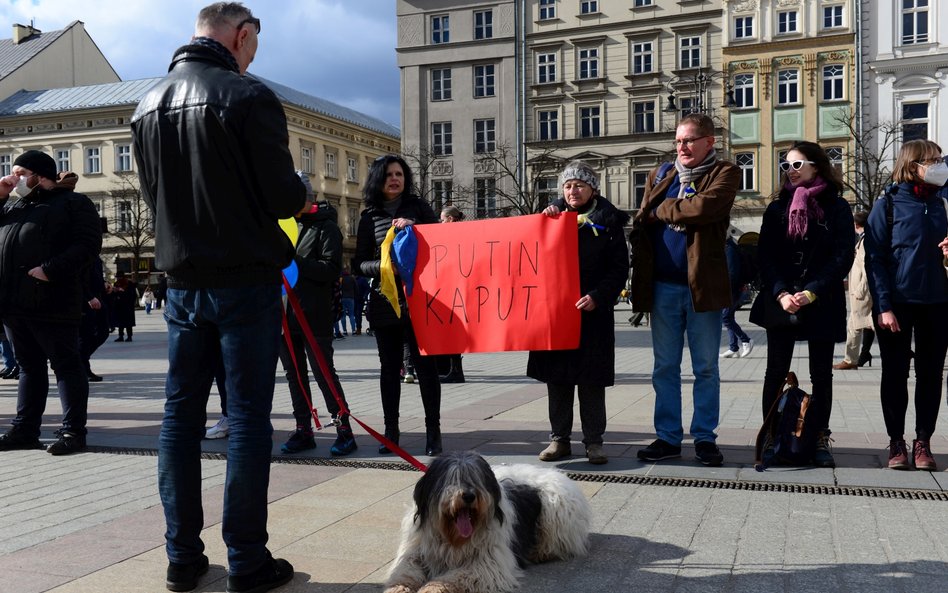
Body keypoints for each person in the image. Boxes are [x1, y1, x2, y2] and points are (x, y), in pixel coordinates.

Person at [130, 3, 306, 592]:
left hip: (181, 282)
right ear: (242, 34)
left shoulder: (147, 103)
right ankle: (247, 560)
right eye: (253, 45)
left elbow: (156, 199)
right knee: (248, 420)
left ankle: (182, 556)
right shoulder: (247, 95)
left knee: (179, 419)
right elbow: (284, 196)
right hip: (245, 280)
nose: (253, 54)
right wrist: (303, 190)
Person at [630, 113, 739, 467]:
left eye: (690, 140)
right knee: (665, 367)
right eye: (678, 141)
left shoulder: (724, 172)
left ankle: (705, 438)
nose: (682, 147)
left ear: (709, 142)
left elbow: (704, 208)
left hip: (702, 289)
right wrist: (663, 211)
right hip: (662, 287)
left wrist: (664, 209)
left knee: (706, 367)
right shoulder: (662, 174)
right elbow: (642, 216)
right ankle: (668, 437)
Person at [749, 141, 855, 468]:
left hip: (820, 299)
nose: (790, 171)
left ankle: (820, 435)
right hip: (782, 299)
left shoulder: (837, 207)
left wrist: (812, 291)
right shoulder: (777, 208)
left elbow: (843, 256)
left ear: (817, 167)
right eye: (786, 166)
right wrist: (781, 293)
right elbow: (765, 256)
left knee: (821, 374)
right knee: (775, 371)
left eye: (797, 164)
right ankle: (770, 435)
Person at [0, 150, 102, 455]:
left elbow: (87, 245)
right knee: (29, 367)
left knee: (66, 366)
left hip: (53, 301)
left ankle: (73, 432)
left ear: (38, 174)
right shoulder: (14, 205)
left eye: (19, 173)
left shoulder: (73, 203)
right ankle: (25, 430)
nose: (13, 178)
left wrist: (49, 270)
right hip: (14, 304)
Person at [529, 161, 630, 465]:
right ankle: (559, 440)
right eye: (568, 185)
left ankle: (594, 442)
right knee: (557, 380)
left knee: (591, 381)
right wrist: (542, 221)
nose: (573, 190)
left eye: (580, 185)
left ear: (593, 189)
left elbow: (618, 268)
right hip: (557, 313)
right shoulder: (551, 218)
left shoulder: (609, 222)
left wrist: (599, 297)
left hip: (593, 314)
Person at [864, 139, 948, 471]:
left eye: (941, 159)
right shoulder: (887, 203)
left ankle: (923, 441)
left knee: (931, 375)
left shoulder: (944, 204)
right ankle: (896, 442)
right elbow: (875, 259)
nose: (940, 164)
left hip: (938, 301)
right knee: (895, 374)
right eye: (934, 160)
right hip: (897, 302)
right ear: (913, 164)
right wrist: (883, 305)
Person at [352, 154, 442, 457]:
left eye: (400, 174)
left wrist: (415, 228)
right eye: (389, 174)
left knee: (426, 369)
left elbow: (442, 245)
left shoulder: (419, 208)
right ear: (379, 179)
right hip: (384, 302)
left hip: (422, 300)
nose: (395, 179)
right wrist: (384, 267)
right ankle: (391, 432)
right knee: (389, 370)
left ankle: (434, 432)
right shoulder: (369, 217)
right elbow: (358, 263)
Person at [279, 174, 357, 456]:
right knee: (294, 374)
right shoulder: (284, 225)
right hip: (283, 315)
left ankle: (344, 430)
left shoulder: (326, 227)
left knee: (324, 373)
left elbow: (330, 269)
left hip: (313, 314)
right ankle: (303, 430)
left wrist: (293, 262)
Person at [834, 211, 874, 370]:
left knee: (857, 325)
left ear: (856, 225)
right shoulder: (864, 240)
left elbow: (866, 268)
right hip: (860, 291)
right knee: (858, 324)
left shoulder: (865, 241)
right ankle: (850, 359)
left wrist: (861, 290)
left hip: (861, 292)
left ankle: (850, 360)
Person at [436, 205, 466, 384]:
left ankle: (455, 370)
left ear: (451, 219)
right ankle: (453, 369)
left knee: (453, 332)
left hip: (455, 291)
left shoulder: (455, 236)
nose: (440, 222)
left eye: (442, 219)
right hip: (453, 289)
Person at [719, 226, 753, 359]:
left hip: (732, 290)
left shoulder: (730, 249)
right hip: (733, 289)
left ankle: (746, 340)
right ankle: (734, 348)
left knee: (725, 317)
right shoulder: (729, 247)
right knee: (729, 317)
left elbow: (732, 274)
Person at [80, 257, 110, 382]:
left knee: (103, 332)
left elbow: (94, 276)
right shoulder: (82, 252)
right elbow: (78, 278)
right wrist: (88, 297)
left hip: (96, 296)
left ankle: (80, 360)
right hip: (85, 300)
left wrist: (104, 284)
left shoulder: (94, 255)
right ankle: (81, 365)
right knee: (84, 335)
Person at [110, 272, 137, 341]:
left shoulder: (129, 283)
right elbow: (114, 295)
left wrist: (122, 292)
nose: (118, 278)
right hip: (119, 306)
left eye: (119, 277)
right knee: (120, 322)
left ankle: (129, 336)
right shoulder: (116, 284)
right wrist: (115, 291)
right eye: (117, 277)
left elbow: (132, 294)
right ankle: (121, 336)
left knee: (128, 323)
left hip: (128, 306)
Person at [338, 269, 357, 336]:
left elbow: (338, 288)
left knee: (343, 316)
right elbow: (356, 288)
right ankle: (354, 331)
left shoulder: (341, 279)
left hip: (342, 298)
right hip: (351, 298)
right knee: (351, 315)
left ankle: (345, 331)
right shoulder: (352, 278)